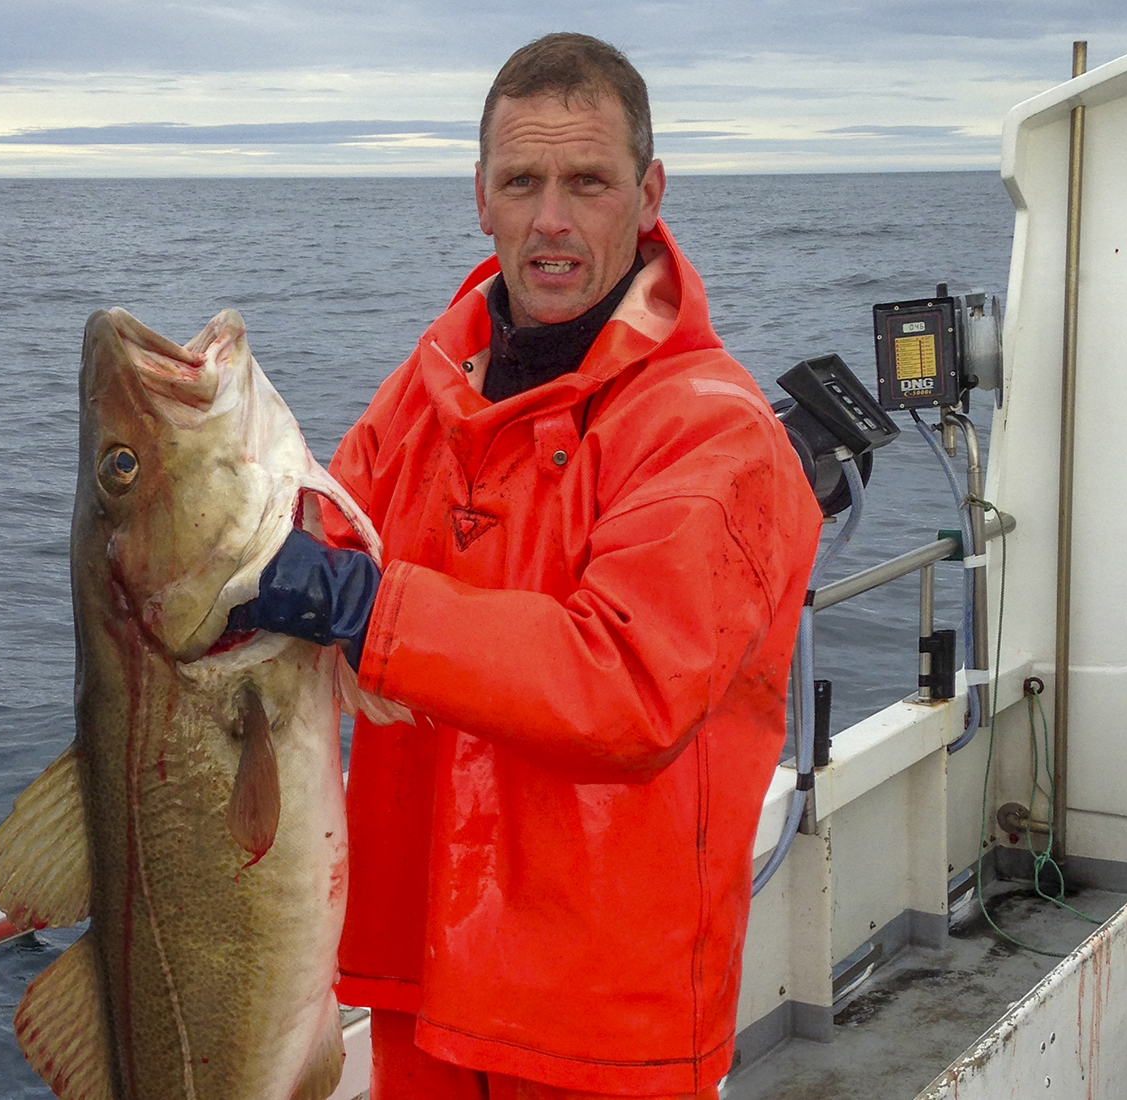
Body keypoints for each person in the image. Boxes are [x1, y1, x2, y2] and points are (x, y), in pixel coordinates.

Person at [229, 31, 822, 1100]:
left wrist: (365, 611)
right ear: (479, 197)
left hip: (598, 1025)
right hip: (417, 975)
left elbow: (626, 685)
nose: (551, 218)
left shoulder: (714, 434)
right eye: (521, 181)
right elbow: (328, 532)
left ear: (647, 194)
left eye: (586, 181)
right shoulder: (431, 381)